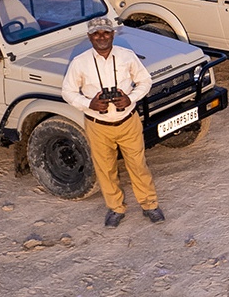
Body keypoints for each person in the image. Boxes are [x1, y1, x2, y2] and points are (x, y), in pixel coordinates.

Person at [62, 17, 165, 227]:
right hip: (97, 125)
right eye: (97, 33)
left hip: (128, 121)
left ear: (112, 34)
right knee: (105, 168)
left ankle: (150, 205)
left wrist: (131, 98)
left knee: (138, 164)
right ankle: (116, 208)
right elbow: (67, 91)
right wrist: (89, 103)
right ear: (89, 36)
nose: (102, 37)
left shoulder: (126, 56)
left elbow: (145, 81)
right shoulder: (80, 62)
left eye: (106, 32)